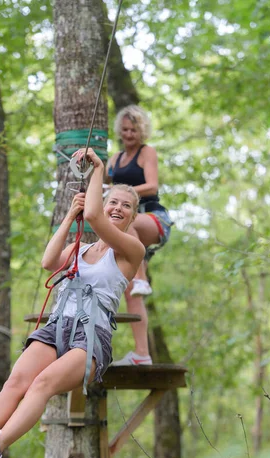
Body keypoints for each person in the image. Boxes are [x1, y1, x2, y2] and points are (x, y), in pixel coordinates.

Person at [0, 148, 145, 458]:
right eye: (113, 202)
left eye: (126, 206)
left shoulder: (131, 251)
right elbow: (49, 261)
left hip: (90, 336)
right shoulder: (83, 248)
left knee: (42, 384)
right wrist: (67, 217)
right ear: (106, 205)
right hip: (58, 326)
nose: (118, 208)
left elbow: (93, 216)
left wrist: (99, 168)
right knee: (17, 381)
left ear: (133, 217)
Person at [106, 105, 172, 366]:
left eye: (134, 129)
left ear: (141, 130)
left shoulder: (147, 153)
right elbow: (108, 189)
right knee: (131, 293)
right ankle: (142, 354)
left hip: (152, 218)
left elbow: (152, 185)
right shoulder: (114, 159)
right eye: (125, 130)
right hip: (128, 224)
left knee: (126, 220)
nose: (129, 134)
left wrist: (122, 194)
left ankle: (142, 278)